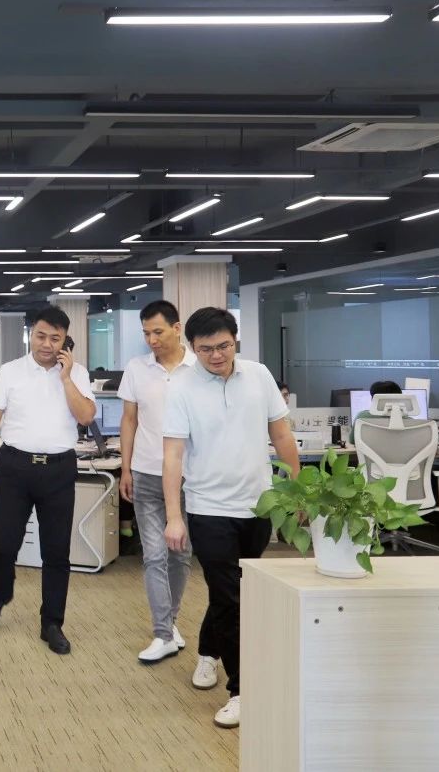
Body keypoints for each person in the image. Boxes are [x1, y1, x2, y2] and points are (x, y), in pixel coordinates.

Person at [163, 307, 299, 729]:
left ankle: (208, 651)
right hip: (208, 508)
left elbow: (281, 433)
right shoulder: (180, 387)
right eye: (205, 349)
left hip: (258, 506)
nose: (216, 355)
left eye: (223, 346)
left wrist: (297, 489)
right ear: (192, 347)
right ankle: (241, 691)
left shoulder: (259, 375)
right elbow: (173, 455)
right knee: (232, 596)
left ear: (235, 340)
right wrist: (174, 516)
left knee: (232, 594)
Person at [0, 304, 96, 654]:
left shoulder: (77, 373)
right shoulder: (11, 372)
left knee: (56, 550)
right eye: (41, 336)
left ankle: (51, 622)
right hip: (15, 465)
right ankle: (1, 593)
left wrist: (66, 378)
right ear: (31, 334)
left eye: (55, 338)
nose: (46, 344)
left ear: (65, 341)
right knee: (2, 543)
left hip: (59, 469)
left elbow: (86, 416)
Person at [118, 300, 197, 664]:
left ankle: (171, 621)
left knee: (180, 555)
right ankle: (163, 633)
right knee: (153, 555)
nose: (151, 340)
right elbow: (129, 420)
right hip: (147, 473)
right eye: (146, 333)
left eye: (158, 332)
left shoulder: (198, 369)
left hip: (190, 476)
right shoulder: (137, 368)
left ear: (177, 328)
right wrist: (126, 468)